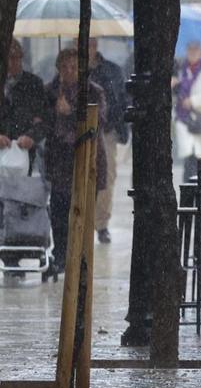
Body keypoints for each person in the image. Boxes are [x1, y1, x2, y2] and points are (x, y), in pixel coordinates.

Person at [45, 49, 107, 275]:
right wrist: (55, 112)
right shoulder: (50, 91)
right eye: (64, 67)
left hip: (87, 160)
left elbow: (97, 123)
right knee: (59, 211)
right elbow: (44, 123)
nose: (69, 72)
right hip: (59, 163)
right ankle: (61, 254)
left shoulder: (93, 92)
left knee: (82, 211)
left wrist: (70, 113)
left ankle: (79, 256)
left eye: (74, 67)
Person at [87, 39, 128, 244]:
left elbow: (120, 101)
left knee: (106, 177)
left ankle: (101, 223)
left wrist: (113, 124)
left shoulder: (112, 71)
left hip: (106, 131)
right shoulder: (71, 70)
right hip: (78, 133)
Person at [172, 41, 201, 183]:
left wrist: (193, 101)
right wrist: (174, 87)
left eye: (196, 50)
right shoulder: (181, 71)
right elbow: (177, 98)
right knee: (189, 164)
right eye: (190, 50)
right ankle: (189, 195)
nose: (193, 53)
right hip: (185, 122)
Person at [1, 41, 50, 156]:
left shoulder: (34, 83)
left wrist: (31, 137)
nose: (10, 63)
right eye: (5, 59)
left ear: (21, 58)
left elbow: (44, 118)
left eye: (14, 57)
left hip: (26, 153)